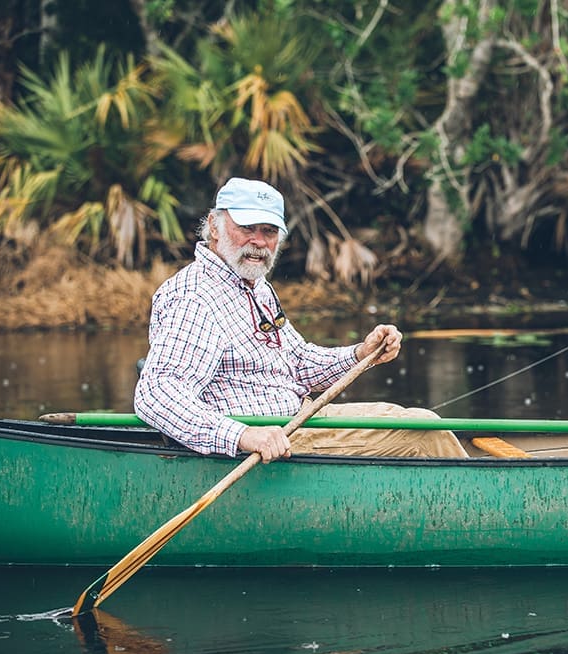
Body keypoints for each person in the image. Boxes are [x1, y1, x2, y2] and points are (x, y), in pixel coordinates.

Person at [134, 177, 467, 462]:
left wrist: (360, 355)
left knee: (421, 421)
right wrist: (244, 435)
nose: (259, 242)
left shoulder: (254, 285)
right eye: (247, 227)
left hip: (303, 419)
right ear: (214, 227)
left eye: (268, 231)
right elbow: (157, 395)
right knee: (421, 432)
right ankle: (484, 518)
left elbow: (298, 363)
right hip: (275, 441)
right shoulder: (195, 297)